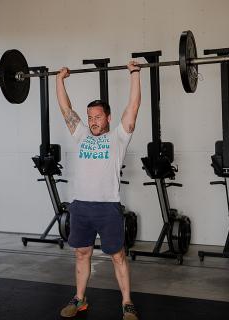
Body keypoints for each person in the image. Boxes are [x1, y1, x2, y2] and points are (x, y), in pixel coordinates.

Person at [56, 60, 141, 320]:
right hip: (80, 206)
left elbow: (133, 107)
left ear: (108, 118)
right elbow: (65, 109)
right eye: (90, 117)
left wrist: (134, 74)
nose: (93, 121)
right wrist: (59, 80)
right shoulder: (81, 134)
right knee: (82, 254)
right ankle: (79, 298)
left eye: (98, 117)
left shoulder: (118, 137)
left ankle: (127, 303)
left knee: (117, 256)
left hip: (107, 207)